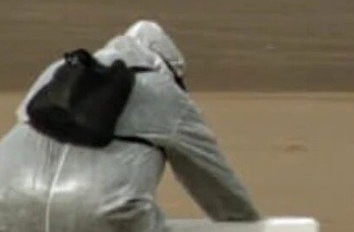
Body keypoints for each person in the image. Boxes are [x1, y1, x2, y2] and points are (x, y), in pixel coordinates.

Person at [0, 20, 260, 232]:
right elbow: (213, 180)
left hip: (7, 201)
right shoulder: (164, 92)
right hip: (105, 214)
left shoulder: (59, 70)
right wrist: (247, 224)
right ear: (167, 67)